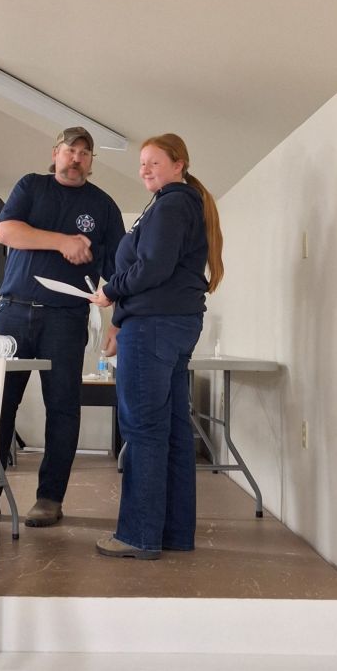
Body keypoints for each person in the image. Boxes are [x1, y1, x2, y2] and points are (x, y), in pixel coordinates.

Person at [89, 133, 224, 560]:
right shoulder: (179, 203)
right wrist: (120, 314)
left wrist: (111, 290)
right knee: (174, 430)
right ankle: (173, 533)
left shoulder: (171, 204)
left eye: (154, 162)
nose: (145, 169)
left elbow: (153, 267)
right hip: (174, 324)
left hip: (153, 327)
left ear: (179, 164)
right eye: (142, 162)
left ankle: (138, 535)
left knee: (144, 430)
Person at [0, 126, 125, 527]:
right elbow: (5, 231)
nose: (76, 158)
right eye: (70, 150)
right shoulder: (31, 186)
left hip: (65, 318)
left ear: (91, 161)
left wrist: (118, 322)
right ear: (56, 153)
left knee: (63, 407)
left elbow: (121, 272)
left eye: (85, 152)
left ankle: (50, 498)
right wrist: (63, 241)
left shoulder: (103, 206)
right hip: (12, 313)